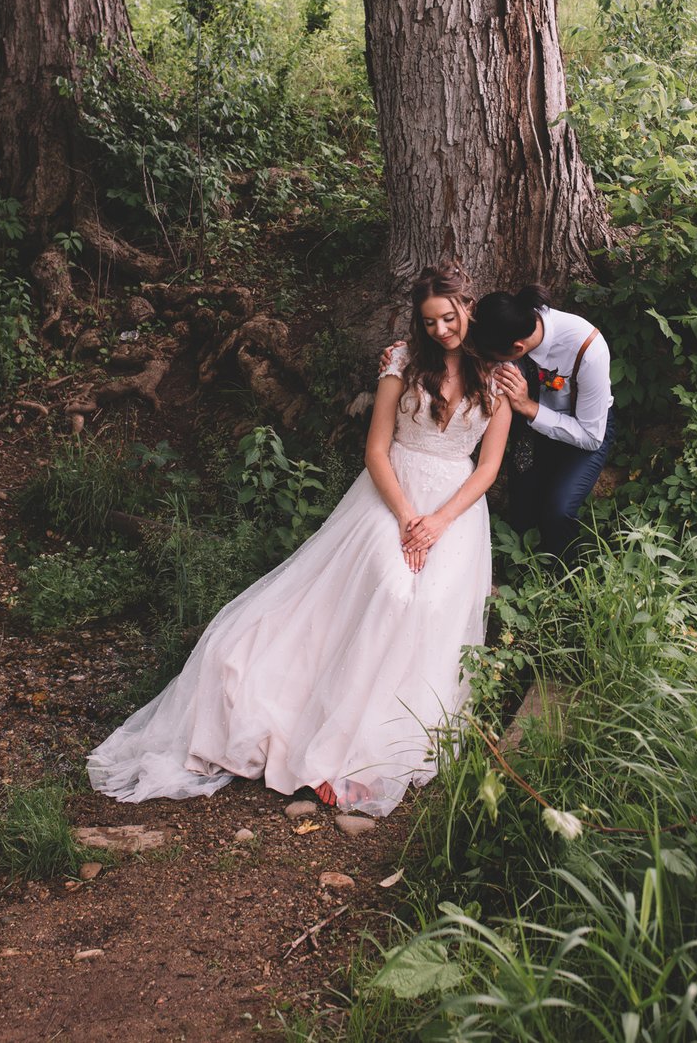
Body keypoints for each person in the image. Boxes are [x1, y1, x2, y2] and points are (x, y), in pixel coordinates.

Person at [87, 265, 511, 818]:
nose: (441, 329)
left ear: (468, 307)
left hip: (455, 507)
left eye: (449, 317)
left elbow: (489, 467)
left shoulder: (498, 376)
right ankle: (320, 731)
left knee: (426, 603)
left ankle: (374, 749)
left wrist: (438, 522)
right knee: (390, 588)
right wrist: (409, 517)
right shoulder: (402, 364)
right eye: (430, 321)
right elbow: (376, 451)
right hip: (393, 494)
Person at [469, 284, 614, 562]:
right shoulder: (508, 323)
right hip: (532, 429)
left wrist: (528, 407)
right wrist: (404, 354)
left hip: (582, 432)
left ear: (517, 349)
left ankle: (569, 577)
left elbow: (591, 435)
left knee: (557, 510)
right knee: (522, 503)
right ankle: (525, 569)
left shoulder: (587, 347)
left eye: (496, 360)